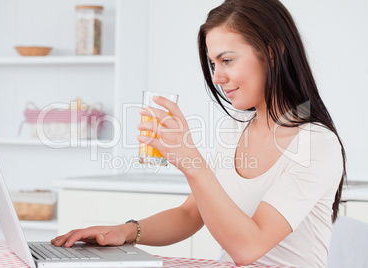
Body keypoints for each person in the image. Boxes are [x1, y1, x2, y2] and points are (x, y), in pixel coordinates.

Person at [51, 0, 346, 267]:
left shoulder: (316, 144)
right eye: (213, 64)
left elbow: (248, 248)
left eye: (227, 60)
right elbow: (191, 214)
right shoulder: (235, 129)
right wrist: (125, 231)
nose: (217, 77)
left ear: (272, 51)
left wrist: (192, 163)